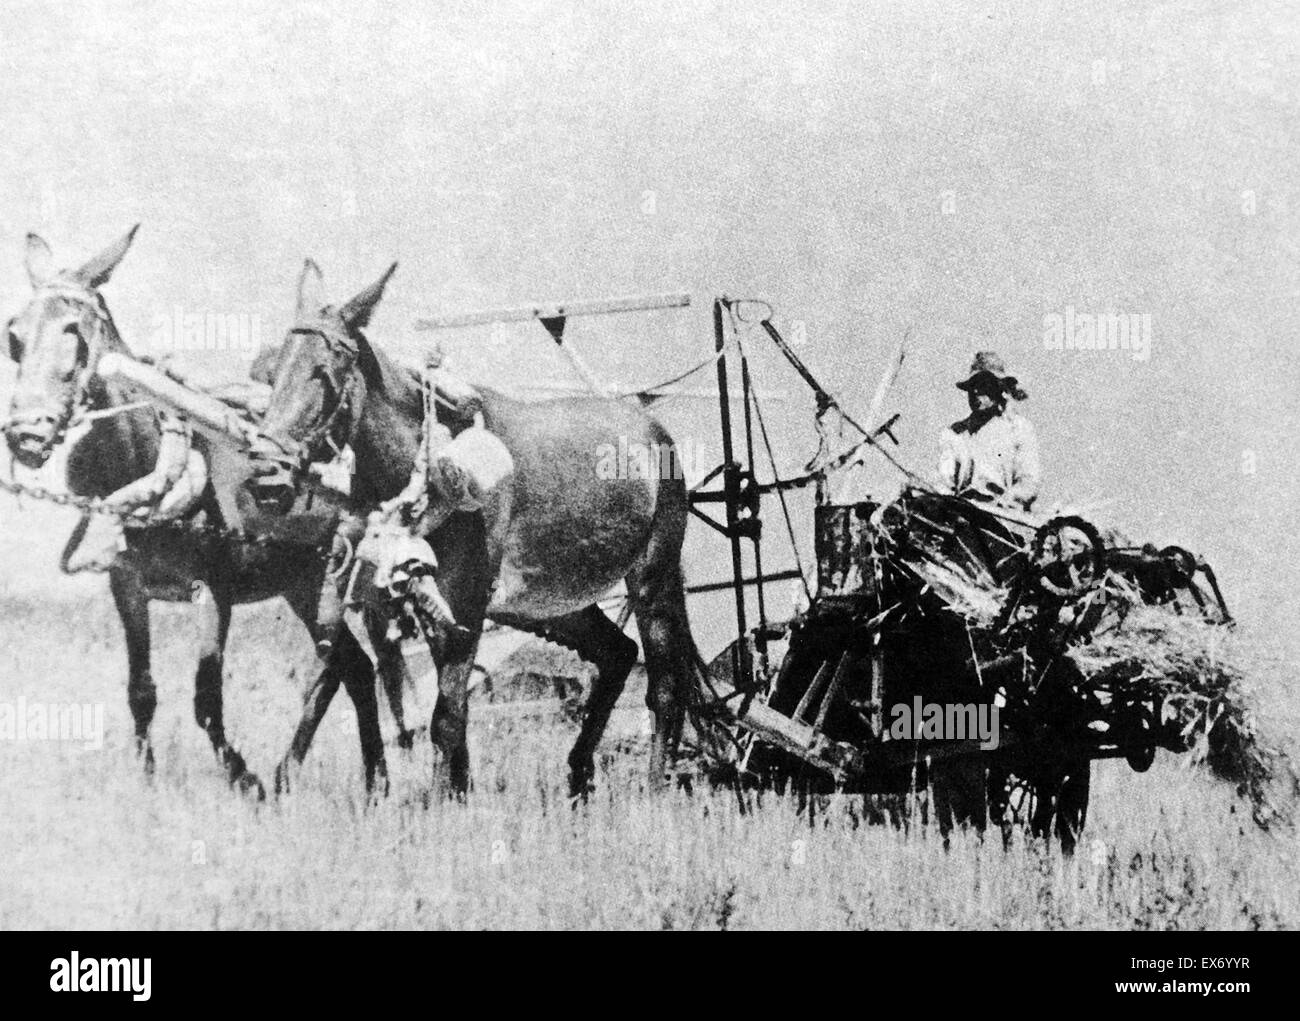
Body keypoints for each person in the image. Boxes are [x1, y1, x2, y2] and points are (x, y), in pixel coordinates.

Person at [937, 351, 1040, 511]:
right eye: (973, 387)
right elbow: (943, 482)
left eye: (983, 385)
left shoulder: (1019, 429)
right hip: (962, 515)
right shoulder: (954, 434)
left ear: (999, 389)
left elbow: (1029, 482)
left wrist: (1009, 499)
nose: (976, 392)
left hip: (1003, 519)